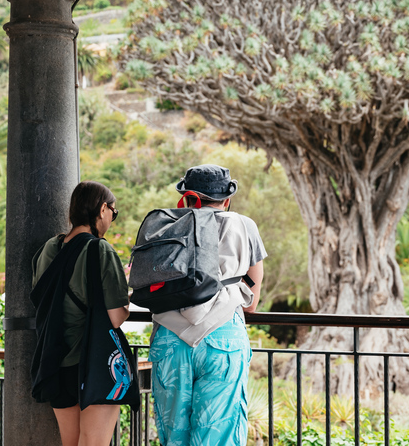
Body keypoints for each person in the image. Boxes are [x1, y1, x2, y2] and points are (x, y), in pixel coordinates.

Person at [149, 164, 266, 446]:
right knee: (219, 436)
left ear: (187, 198)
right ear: (227, 199)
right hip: (223, 338)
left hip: (169, 338)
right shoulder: (244, 225)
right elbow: (251, 303)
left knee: (173, 436)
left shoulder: (166, 225)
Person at [31, 181, 130, 446]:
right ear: (101, 209)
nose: (112, 217)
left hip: (55, 362)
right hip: (92, 364)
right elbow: (116, 318)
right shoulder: (100, 249)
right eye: (113, 211)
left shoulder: (49, 249)